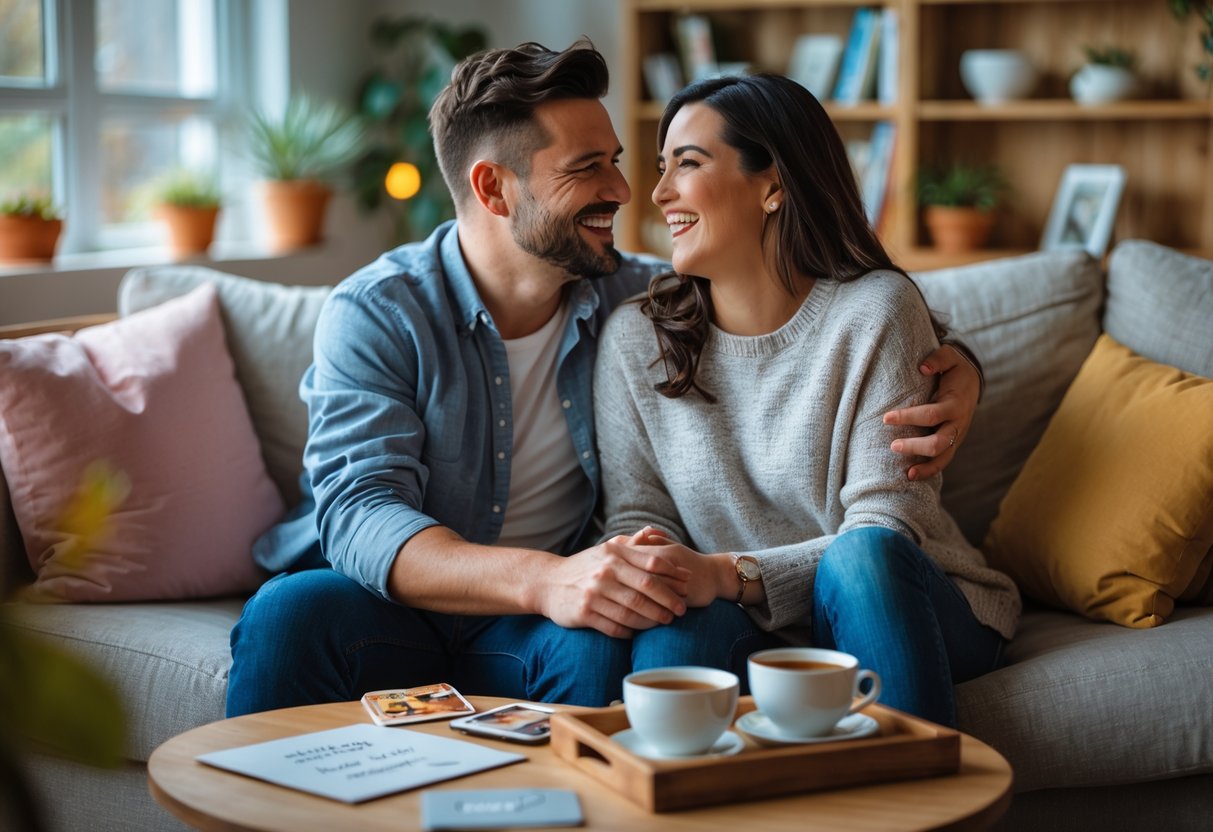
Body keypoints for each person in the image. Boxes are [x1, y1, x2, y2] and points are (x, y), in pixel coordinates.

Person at [225, 40, 984, 717]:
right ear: (494, 190)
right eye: (588, 168)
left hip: (547, 626)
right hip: (405, 607)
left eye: (620, 160)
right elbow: (360, 515)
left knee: (603, 645)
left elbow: (809, 304)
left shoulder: (635, 298)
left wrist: (959, 371)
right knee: (290, 612)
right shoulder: (379, 312)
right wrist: (544, 580)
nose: (628, 192)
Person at [594, 72, 1020, 728]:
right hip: (747, 625)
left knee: (860, 561)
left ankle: (913, 809)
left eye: (687, 163)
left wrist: (729, 573)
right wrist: (655, 559)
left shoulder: (874, 310)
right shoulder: (634, 337)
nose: (657, 193)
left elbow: (883, 527)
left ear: (773, 186)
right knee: (672, 627)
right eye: (660, 167)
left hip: (899, 603)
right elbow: (637, 513)